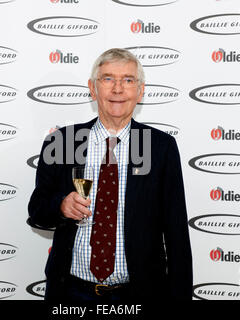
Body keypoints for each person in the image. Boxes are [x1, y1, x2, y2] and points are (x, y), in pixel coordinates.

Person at [28, 48, 192, 302]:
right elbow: (37, 210)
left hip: (140, 294)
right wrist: (61, 206)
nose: (118, 89)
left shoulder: (160, 147)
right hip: (71, 293)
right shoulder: (61, 142)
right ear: (93, 89)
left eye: (128, 80)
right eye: (107, 79)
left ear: (140, 91)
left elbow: (176, 232)